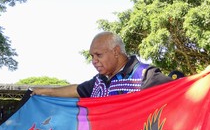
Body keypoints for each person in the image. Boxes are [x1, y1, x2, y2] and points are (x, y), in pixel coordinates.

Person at [32, 31, 174, 98]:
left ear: (116, 52)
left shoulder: (145, 76)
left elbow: (179, 93)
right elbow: (77, 90)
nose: (94, 61)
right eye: (92, 56)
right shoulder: (99, 82)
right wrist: (45, 91)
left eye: (99, 55)